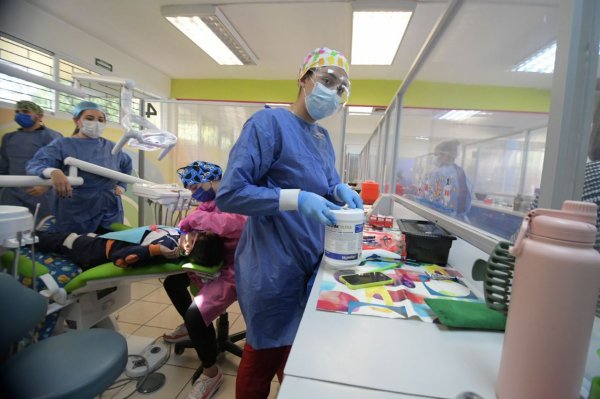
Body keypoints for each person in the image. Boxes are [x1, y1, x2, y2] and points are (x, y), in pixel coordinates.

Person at [215, 47, 363, 399]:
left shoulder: (321, 138)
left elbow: (326, 185)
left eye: (341, 87)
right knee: (263, 353)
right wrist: (295, 198)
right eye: (327, 80)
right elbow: (231, 194)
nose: (334, 91)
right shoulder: (268, 124)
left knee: (299, 355)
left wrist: (339, 189)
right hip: (272, 265)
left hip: (311, 261)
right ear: (303, 78)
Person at [162, 160, 246, 399]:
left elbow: (234, 224)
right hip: (208, 265)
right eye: (189, 189)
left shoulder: (237, 198)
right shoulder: (209, 202)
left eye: (195, 186)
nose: (193, 192)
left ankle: (211, 374)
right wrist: (186, 233)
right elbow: (196, 217)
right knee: (172, 281)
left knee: (194, 314)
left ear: (212, 180)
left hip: (233, 271)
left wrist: (192, 224)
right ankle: (194, 330)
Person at [26, 101, 132, 234]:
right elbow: (35, 164)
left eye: (100, 120)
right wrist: (53, 171)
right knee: (76, 247)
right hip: (76, 209)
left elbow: (127, 164)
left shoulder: (112, 147)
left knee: (109, 247)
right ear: (77, 120)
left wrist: (122, 185)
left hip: (109, 207)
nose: (96, 123)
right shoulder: (63, 144)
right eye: (89, 118)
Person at [0, 100, 62, 220]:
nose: (20, 114)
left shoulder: (52, 137)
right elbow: (3, 165)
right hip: (11, 193)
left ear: (39, 116)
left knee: (40, 231)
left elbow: (60, 166)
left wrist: (46, 186)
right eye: (17, 112)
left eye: (26, 112)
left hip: (40, 192)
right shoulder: (9, 138)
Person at [429, 139, 473, 220]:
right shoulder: (463, 174)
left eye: (437, 155)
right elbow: (468, 203)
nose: (436, 158)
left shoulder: (438, 173)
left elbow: (431, 200)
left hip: (441, 220)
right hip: (460, 222)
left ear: (445, 155)